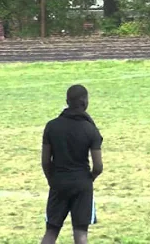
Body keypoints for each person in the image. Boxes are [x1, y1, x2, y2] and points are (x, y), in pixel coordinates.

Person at [40, 85, 103, 244]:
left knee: (51, 231)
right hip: (82, 184)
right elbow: (98, 167)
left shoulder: (52, 126)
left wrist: (52, 180)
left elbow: (45, 161)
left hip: (59, 182)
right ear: (84, 101)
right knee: (81, 234)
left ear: (67, 101)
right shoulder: (90, 129)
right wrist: (89, 179)